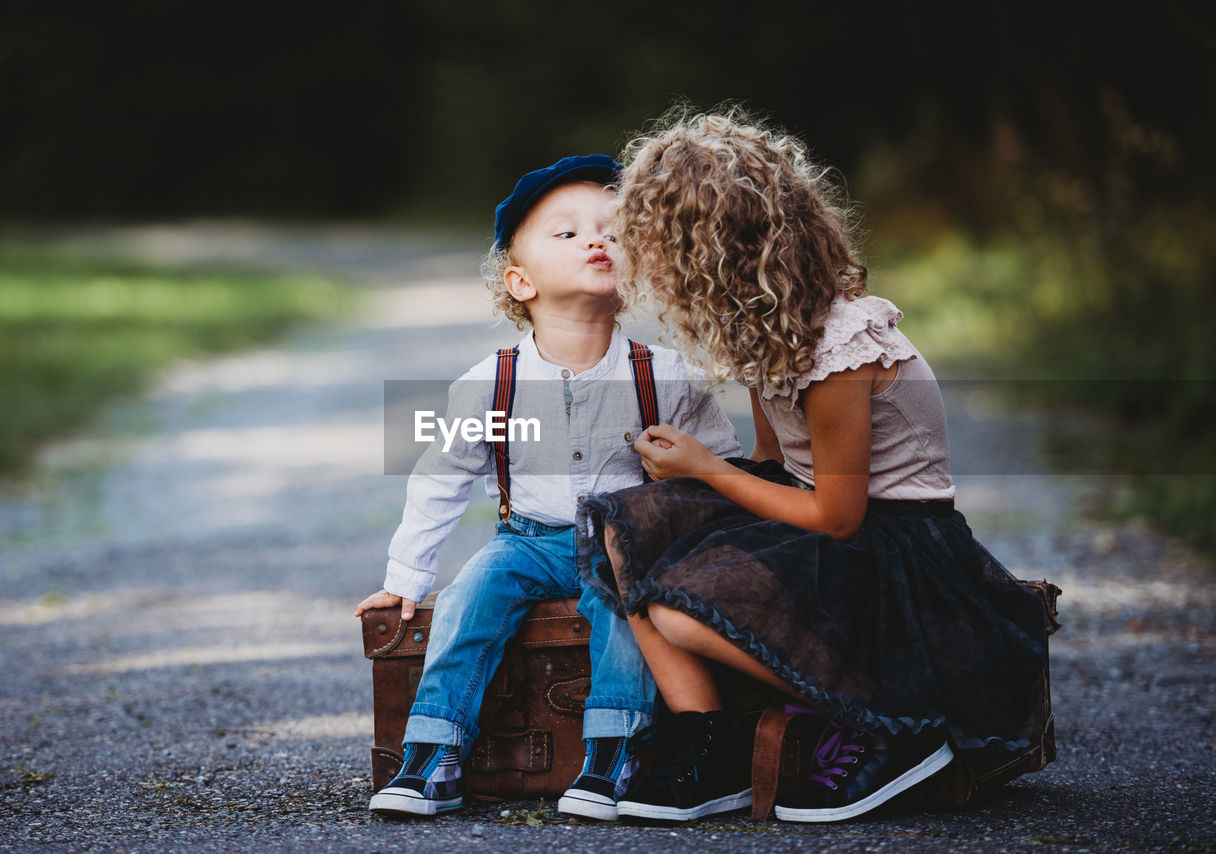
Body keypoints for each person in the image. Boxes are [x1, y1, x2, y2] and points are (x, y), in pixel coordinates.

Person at [576, 113, 1050, 823]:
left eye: (663, 252)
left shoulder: (840, 348)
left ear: (712, 255)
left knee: (678, 612)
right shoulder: (764, 330)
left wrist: (707, 468)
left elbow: (838, 515)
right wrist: (684, 484)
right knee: (627, 534)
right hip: (823, 519)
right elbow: (771, 464)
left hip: (897, 549)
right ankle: (713, 742)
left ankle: (896, 718)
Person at [357, 154, 743, 820]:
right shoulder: (491, 383)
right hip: (526, 543)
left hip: (627, 548)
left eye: (614, 231)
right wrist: (406, 578)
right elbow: (439, 480)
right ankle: (433, 751)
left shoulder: (668, 376)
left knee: (628, 610)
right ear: (520, 281)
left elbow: (726, 472)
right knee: (468, 599)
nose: (597, 240)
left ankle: (614, 753)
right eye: (565, 234)